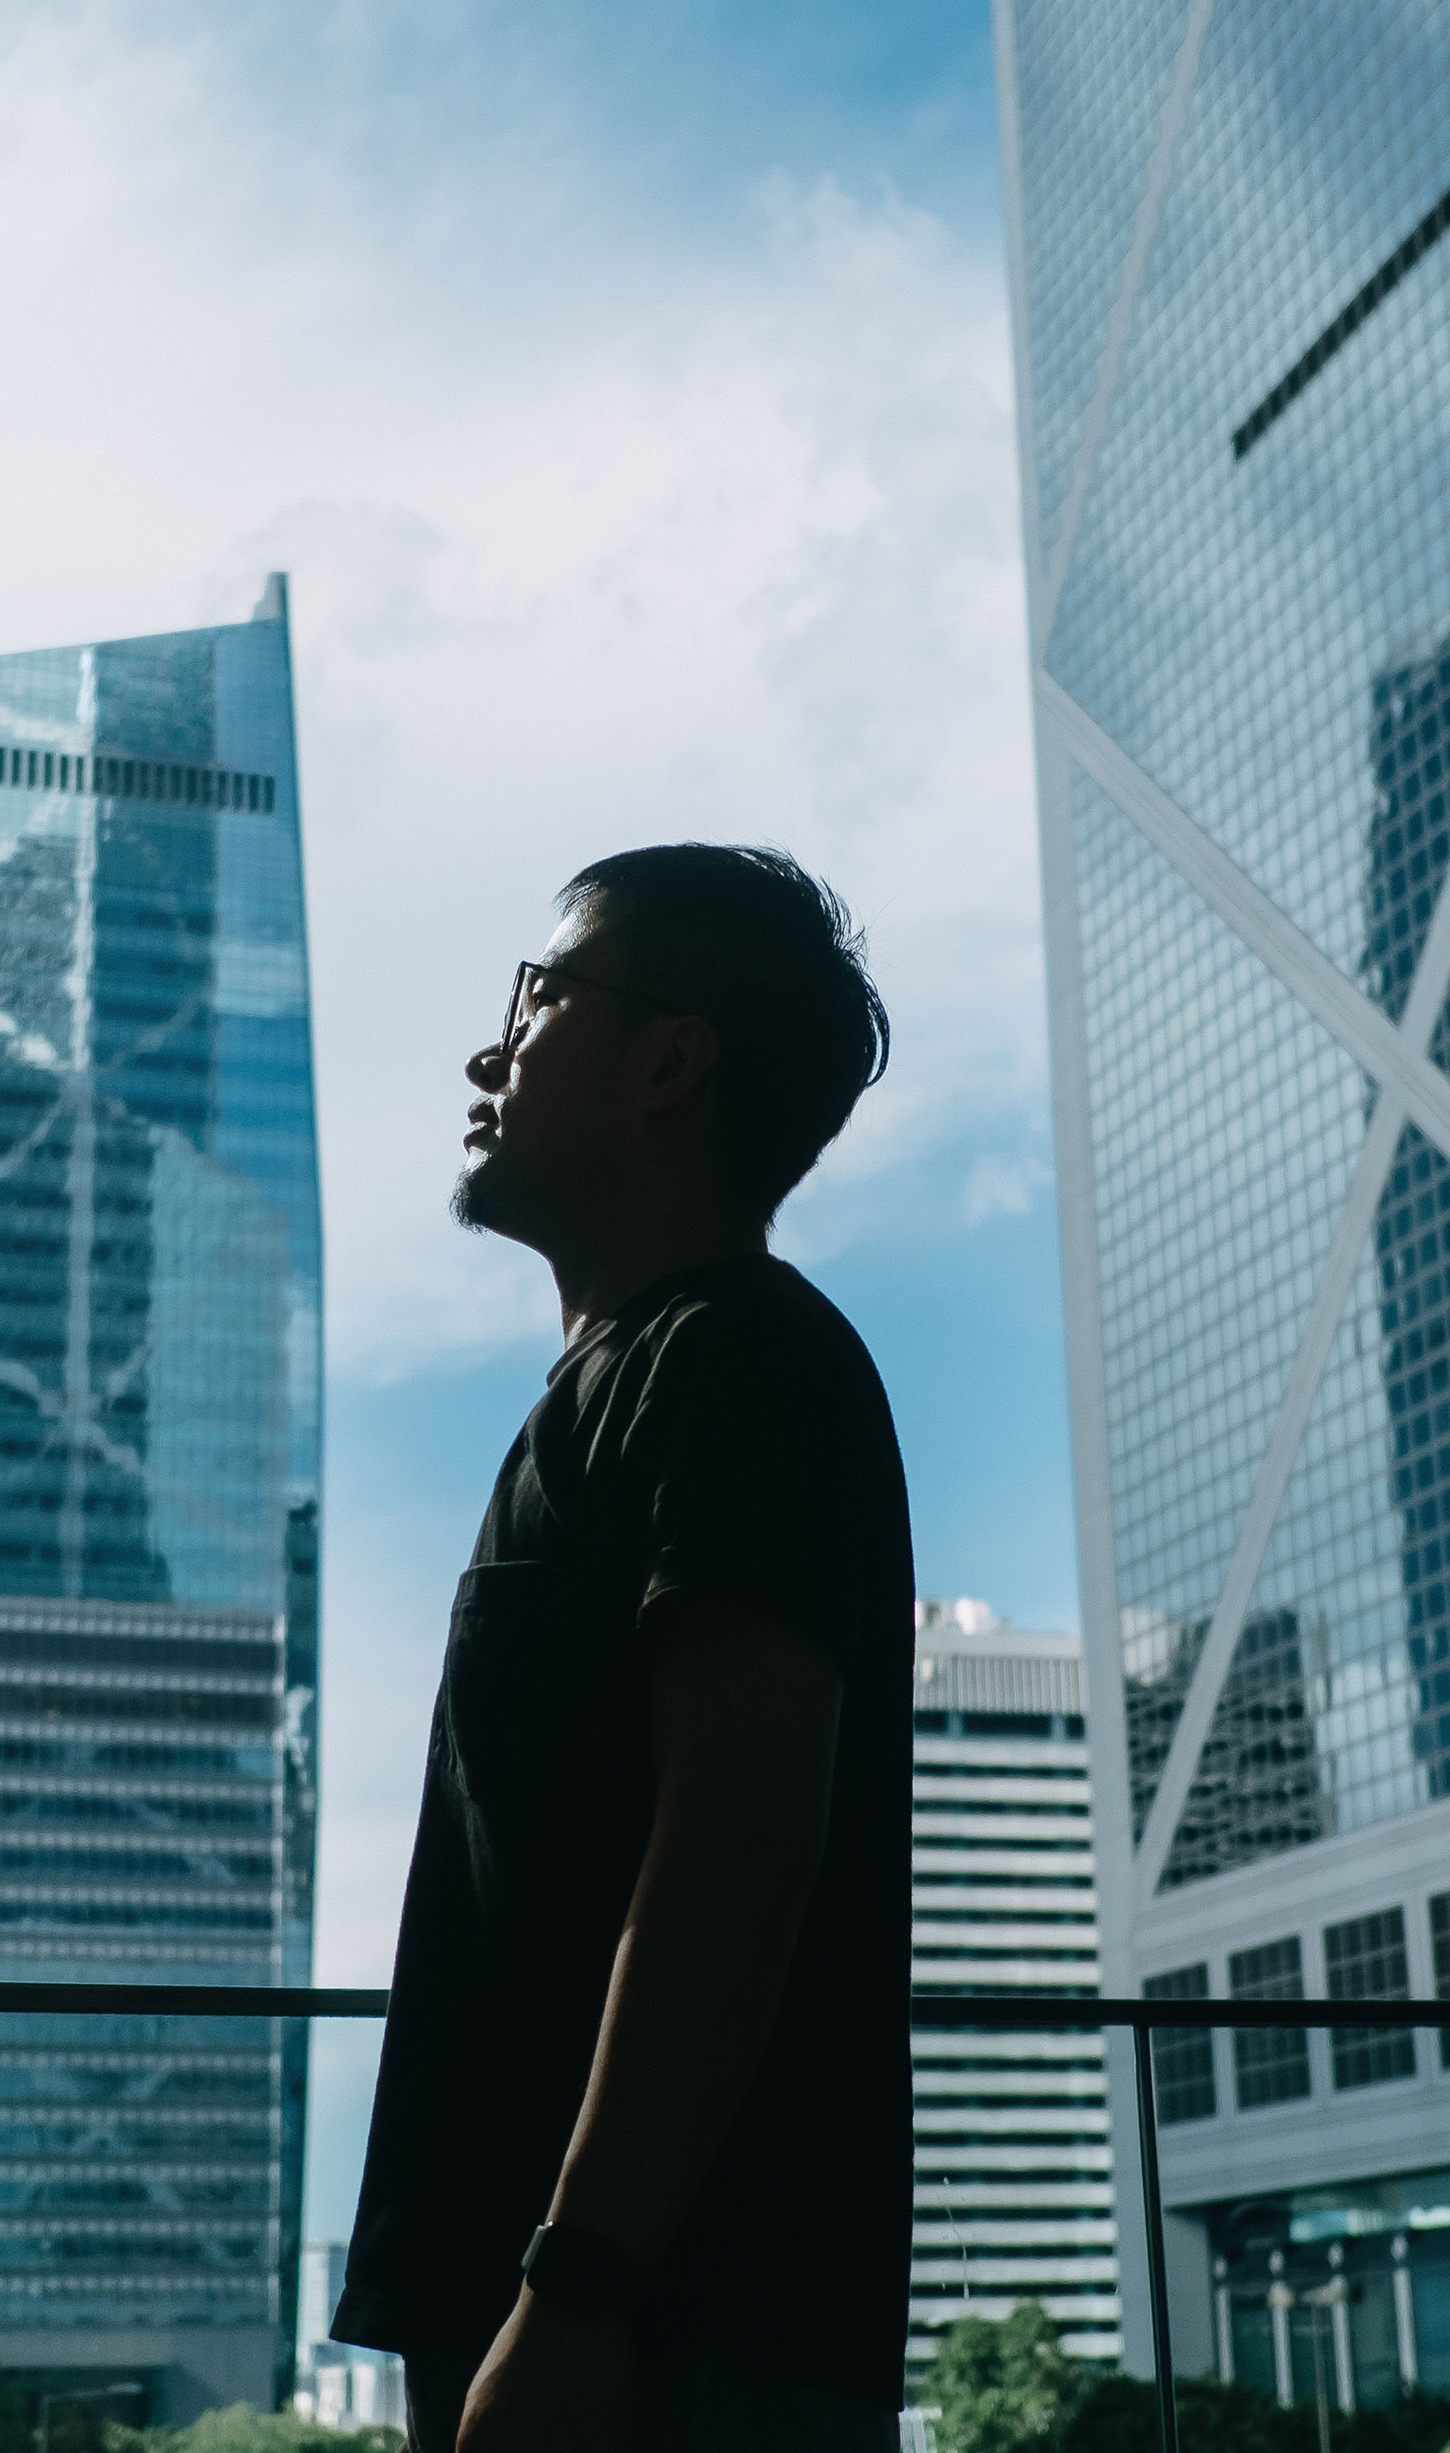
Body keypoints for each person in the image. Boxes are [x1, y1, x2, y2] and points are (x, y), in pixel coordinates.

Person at [330, 844, 912, 2452]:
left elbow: (735, 1844)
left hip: (660, 2349)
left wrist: (579, 2286)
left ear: (670, 1064)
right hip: (569, 2323)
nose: (487, 1051)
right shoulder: (627, 1388)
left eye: (538, 999)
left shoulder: (736, 1362)